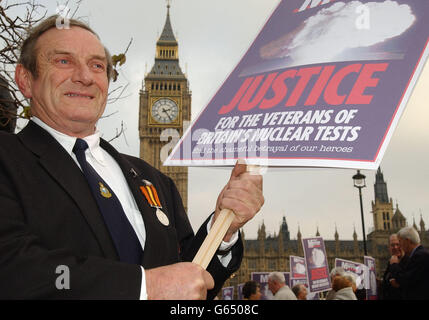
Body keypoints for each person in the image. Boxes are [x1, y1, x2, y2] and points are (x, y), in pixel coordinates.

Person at [0, 15, 264, 299]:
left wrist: (223, 228)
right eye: (64, 61)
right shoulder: (8, 158)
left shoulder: (155, 181)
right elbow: (14, 268)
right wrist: (144, 287)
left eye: (97, 65)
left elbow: (187, 279)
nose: (85, 76)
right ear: (25, 79)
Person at [389, 226, 429, 300]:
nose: (399, 246)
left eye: (400, 242)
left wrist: (394, 265)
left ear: (407, 241)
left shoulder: (420, 256)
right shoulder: (418, 254)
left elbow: (405, 280)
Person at [379, 234, 408, 300]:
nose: (395, 247)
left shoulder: (409, 262)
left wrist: (394, 265)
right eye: (392, 245)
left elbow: (402, 283)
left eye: (398, 244)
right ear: (389, 247)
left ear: (403, 245)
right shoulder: (391, 262)